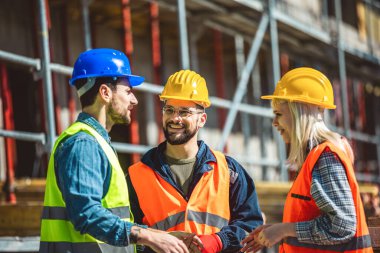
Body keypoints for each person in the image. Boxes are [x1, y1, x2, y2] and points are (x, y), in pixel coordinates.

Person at [39, 48, 197, 253]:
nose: (134, 100)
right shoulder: (83, 144)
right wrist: (147, 236)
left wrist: (158, 237)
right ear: (105, 92)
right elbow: (87, 215)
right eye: (128, 91)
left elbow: (110, 219)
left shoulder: (95, 142)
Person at [127, 70, 264, 253]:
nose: (175, 118)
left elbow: (250, 225)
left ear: (202, 120)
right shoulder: (137, 175)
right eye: (169, 110)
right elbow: (125, 234)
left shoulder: (228, 171)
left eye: (185, 112)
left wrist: (218, 241)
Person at [241, 67, 373, 253]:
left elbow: (342, 225)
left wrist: (284, 229)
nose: (274, 123)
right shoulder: (316, 157)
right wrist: (277, 231)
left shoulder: (325, 157)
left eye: (278, 114)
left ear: (299, 112)